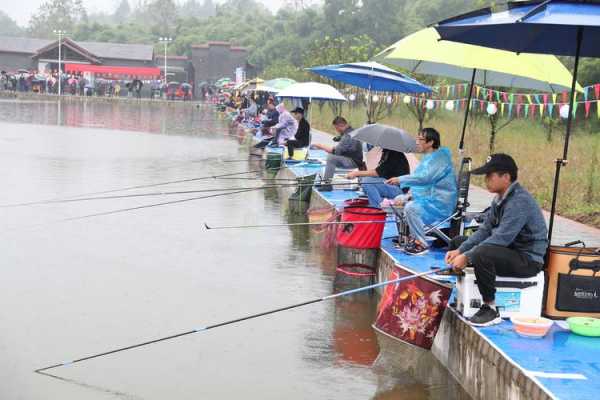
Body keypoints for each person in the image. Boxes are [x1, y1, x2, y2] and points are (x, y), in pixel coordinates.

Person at [445, 154, 548, 326]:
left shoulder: (519, 201)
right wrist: (460, 250)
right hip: (510, 252)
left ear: (506, 177)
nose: (486, 180)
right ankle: (460, 275)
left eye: (490, 176)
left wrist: (468, 256)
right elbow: (485, 230)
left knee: (481, 253)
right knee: (458, 242)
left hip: (528, 260)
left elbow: (501, 238)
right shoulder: (499, 199)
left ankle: (490, 308)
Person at [384, 128, 457, 255]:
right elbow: (420, 184)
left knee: (412, 208)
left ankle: (421, 243)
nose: (417, 142)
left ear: (430, 142)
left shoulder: (440, 159)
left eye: (420, 139)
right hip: (429, 199)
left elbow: (425, 179)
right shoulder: (429, 158)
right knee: (398, 200)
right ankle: (406, 238)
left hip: (440, 203)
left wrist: (400, 179)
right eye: (416, 138)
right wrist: (407, 196)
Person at [312, 116, 364, 191]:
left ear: (341, 125)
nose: (337, 130)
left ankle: (327, 185)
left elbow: (336, 151)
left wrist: (320, 145)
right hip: (352, 158)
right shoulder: (350, 131)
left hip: (354, 162)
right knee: (331, 157)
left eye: (336, 128)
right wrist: (339, 138)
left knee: (331, 158)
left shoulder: (348, 136)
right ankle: (325, 181)